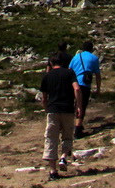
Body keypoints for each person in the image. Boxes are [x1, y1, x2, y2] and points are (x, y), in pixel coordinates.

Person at [40, 53, 82, 181]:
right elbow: (77, 89)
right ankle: (64, 156)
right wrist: (78, 106)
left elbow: (44, 97)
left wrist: (46, 108)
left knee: (51, 138)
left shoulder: (47, 76)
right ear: (62, 63)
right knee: (67, 136)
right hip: (68, 109)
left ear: (51, 64)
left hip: (53, 109)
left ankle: (53, 171)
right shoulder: (69, 73)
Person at [68, 40, 101, 138]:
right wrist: (98, 89)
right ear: (92, 48)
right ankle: (78, 130)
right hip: (85, 84)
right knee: (82, 105)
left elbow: (70, 70)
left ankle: (74, 124)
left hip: (74, 83)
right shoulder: (94, 58)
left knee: (75, 104)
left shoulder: (76, 57)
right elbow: (97, 75)